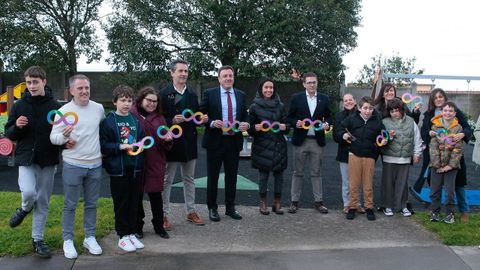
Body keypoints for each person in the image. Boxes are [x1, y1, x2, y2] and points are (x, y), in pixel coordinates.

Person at [5, 66, 61, 258]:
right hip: (26, 158)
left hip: (48, 159)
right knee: (28, 193)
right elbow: (9, 132)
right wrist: (17, 126)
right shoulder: (19, 105)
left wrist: (66, 137)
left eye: (35, 82)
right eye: (28, 82)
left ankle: (38, 240)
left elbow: (60, 134)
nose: (31, 86)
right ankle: (24, 208)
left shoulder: (55, 106)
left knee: (43, 202)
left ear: (44, 82)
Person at [50, 74, 105, 259]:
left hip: (95, 165)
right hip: (73, 164)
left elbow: (103, 131)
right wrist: (64, 138)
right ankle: (68, 240)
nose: (84, 91)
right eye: (80, 88)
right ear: (71, 90)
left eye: (86, 88)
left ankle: (89, 237)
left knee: (91, 204)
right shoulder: (63, 111)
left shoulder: (98, 108)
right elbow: (53, 137)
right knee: (70, 205)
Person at [409, 88, 472, 222]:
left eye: (440, 96)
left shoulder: (454, 112)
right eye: (436, 97)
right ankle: (434, 210)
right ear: (432, 100)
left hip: (453, 155)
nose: (438, 99)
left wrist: (463, 134)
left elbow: (466, 128)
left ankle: (464, 211)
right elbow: (424, 130)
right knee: (434, 183)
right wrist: (429, 133)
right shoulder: (428, 114)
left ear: (445, 98)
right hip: (434, 155)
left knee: (458, 184)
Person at [160, 59, 207, 230]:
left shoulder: (193, 95)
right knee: (167, 180)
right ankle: (163, 215)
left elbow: (195, 119)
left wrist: (201, 120)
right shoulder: (164, 94)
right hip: (171, 143)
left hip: (189, 143)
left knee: (189, 179)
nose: (183, 74)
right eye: (180, 71)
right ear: (172, 73)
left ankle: (191, 211)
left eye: (186, 71)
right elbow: (157, 120)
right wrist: (170, 120)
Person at [199, 65, 249, 222]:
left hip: (234, 141)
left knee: (232, 176)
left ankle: (230, 207)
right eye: (225, 76)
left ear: (233, 78)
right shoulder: (209, 94)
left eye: (231, 76)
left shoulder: (241, 95)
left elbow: (245, 116)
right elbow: (201, 116)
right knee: (213, 177)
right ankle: (212, 208)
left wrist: (246, 124)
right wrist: (212, 123)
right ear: (219, 78)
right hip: (215, 141)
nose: (228, 78)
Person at [100, 85, 145, 252]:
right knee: (121, 202)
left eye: (129, 100)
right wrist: (120, 146)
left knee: (134, 202)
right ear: (114, 102)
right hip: (118, 169)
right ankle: (122, 236)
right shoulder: (108, 121)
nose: (126, 104)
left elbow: (140, 141)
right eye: (122, 100)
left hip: (135, 168)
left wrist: (140, 146)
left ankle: (132, 232)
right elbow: (104, 145)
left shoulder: (135, 120)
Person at [286, 72, 331, 214]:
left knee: (316, 173)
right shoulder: (296, 98)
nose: (312, 84)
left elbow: (329, 116)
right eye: (309, 82)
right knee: (297, 172)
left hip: (317, 141)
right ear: (304, 84)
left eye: (314, 82)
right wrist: (295, 123)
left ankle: (318, 202)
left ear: (317, 83)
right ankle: (294, 202)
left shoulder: (324, 98)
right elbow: (289, 118)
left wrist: (327, 124)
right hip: (300, 140)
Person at [131, 86, 172, 239]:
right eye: (149, 100)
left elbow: (165, 142)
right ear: (141, 99)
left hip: (155, 162)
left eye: (155, 101)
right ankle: (138, 227)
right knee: (137, 196)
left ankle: (159, 226)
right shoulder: (132, 114)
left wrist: (168, 140)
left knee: (156, 196)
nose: (152, 104)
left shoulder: (160, 118)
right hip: (137, 161)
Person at [339, 96, 386, 221]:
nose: (367, 111)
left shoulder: (377, 122)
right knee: (354, 183)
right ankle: (352, 207)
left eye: (370, 108)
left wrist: (385, 139)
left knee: (368, 183)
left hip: (370, 156)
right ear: (359, 108)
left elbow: (383, 135)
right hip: (354, 154)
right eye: (365, 108)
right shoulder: (352, 119)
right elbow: (340, 128)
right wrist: (342, 134)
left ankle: (369, 207)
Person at [248, 78, 289, 215]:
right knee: (263, 176)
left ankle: (277, 203)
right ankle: (263, 203)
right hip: (262, 146)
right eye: (266, 87)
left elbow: (287, 126)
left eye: (271, 88)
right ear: (261, 89)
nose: (269, 90)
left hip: (278, 146)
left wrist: (285, 127)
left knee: (279, 177)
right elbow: (249, 128)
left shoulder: (281, 106)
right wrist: (255, 127)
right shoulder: (254, 107)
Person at [379, 98, 422, 217]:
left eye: (397, 110)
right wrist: (390, 137)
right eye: (392, 111)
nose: (394, 113)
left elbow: (417, 138)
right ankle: (387, 206)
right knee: (387, 183)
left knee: (402, 184)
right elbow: (382, 140)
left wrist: (417, 153)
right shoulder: (385, 122)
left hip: (405, 159)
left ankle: (402, 206)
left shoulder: (411, 121)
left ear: (402, 110)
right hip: (389, 158)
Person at [428, 102, 463, 224]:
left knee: (449, 191)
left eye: (450, 111)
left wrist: (449, 166)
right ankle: (434, 212)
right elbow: (433, 147)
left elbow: (457, 149)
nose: (447, 113)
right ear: (441, 112)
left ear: (454, 113)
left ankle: (449, 214)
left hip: (451, 167)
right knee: (434, 191)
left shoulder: (458, 129)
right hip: (436, 166)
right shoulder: (435, 127)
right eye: (445, 110)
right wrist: (438, 165)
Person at [333, 93, 363, 214]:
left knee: (358, 181)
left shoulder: (362, 114)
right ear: (343, 103)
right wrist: (342, 135)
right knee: (346, 181)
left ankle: (357, 203)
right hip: (344, 153)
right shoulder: (339, 116)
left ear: (355, 101)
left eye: (350, 100)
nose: (348, 102)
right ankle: (347, 204)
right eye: (346, 100)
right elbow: (335, 135)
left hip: (359, 152)